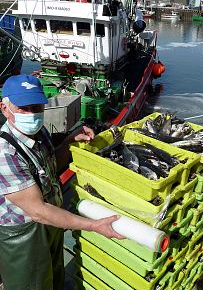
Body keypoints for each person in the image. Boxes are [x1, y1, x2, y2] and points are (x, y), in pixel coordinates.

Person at [0, 74, 123, 290]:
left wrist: (70, 140)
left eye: (37, 107)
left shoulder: (39, 131)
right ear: (4, 108)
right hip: (24, 236)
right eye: (23, 108)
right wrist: (94, 225)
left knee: (54, 277)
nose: (32, 113)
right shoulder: (5, 153)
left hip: (52, 224)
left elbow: (51, 166)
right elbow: (37, 211)